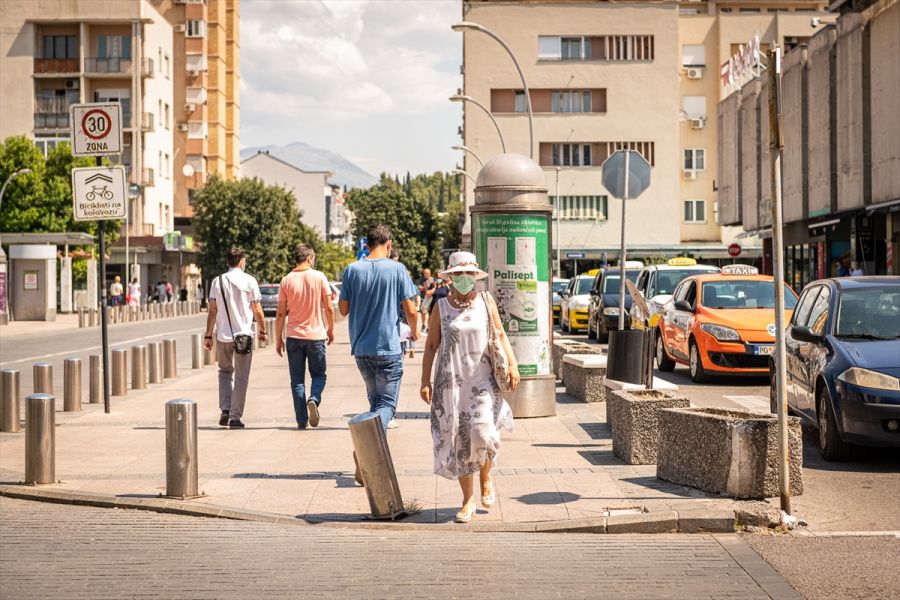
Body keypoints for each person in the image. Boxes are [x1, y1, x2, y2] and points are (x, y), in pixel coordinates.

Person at [420, 252, 520, 523]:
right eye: (458, 275)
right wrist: (424, 381)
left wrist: (512, 364)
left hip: (483, 380)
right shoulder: (441, 308)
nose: (464, 279)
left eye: (469, 274)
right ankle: (468, 500)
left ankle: (486, 477)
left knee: (483, 432)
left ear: (475, 276)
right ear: (450, 278)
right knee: (461, 440)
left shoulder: (486, 302)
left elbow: (500, 334)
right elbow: (431, 346)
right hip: (451, 383)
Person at [339, 224, 419, 474]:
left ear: (366, 245)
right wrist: (415, 332)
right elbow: (411, 309)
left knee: (375, 403)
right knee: (386, 406)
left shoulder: (352, 270)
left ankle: (368, 460)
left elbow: (342, 310)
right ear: (389, 244)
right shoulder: (397, 270)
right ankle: (366, 455)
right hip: (388, 348)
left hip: (361, 349)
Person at [203, 246, 268, 429]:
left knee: (224, 373)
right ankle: (235, 417)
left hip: (223, 336)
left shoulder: (217, 281)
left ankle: (225, 409)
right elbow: (257, 310)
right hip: (244, 337)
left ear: (227, 262)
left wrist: (208, 335)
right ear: (242, 261)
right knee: (241, 377)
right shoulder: (250, 281)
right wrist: (263, 331)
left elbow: (213, 311)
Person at [275, 243, 335, 430]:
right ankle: (314, 399)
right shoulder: (319, 277)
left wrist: (278, 338)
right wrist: (330, 329)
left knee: (297, 380)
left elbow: (280, 313)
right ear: (309, 258)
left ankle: (301, 420)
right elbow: (329, 306)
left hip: (293, 336)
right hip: (316, 335)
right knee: (319, 375)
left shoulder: (286, 280)